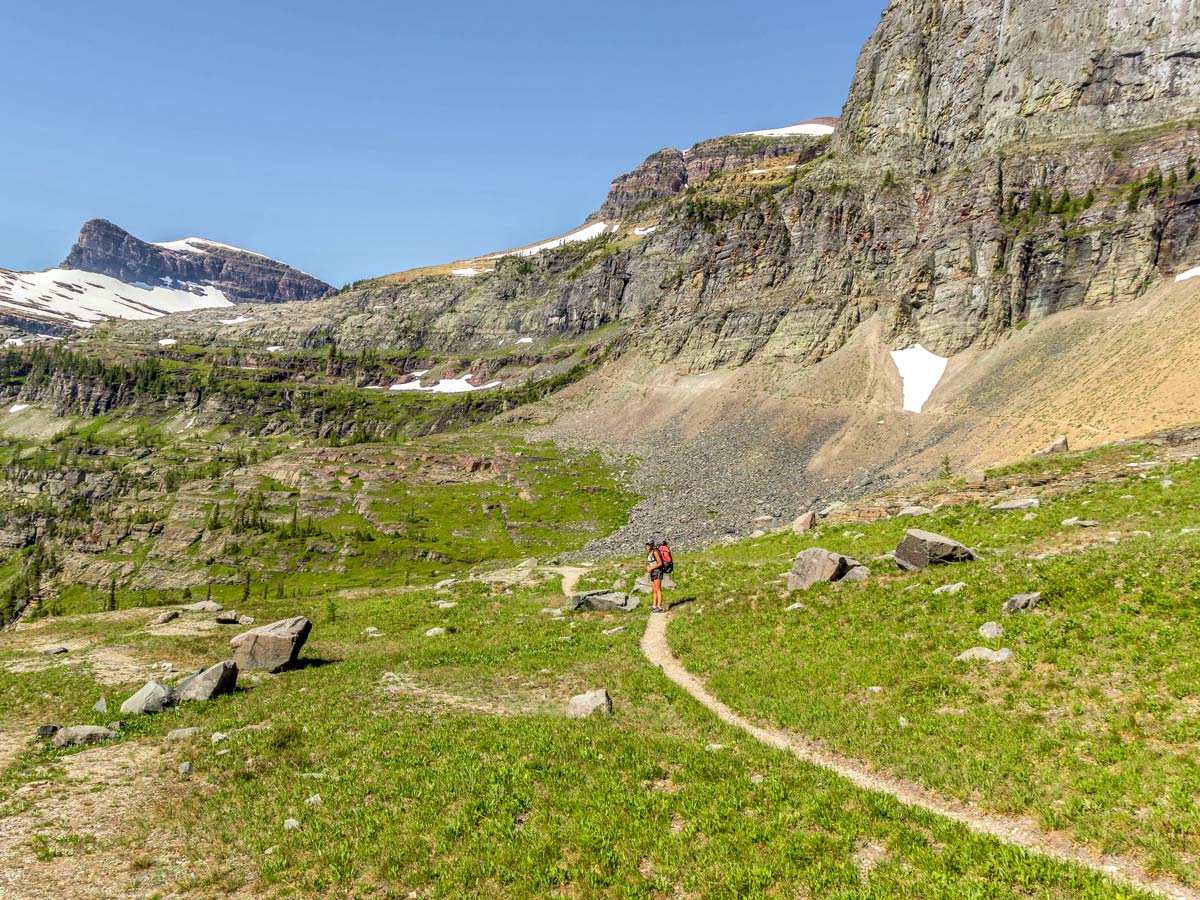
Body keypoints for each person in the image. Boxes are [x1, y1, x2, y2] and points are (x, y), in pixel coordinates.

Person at [645, 539, 665, 613]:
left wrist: (651, 568)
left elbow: (660, 563)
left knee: (658, 589)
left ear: (652, 545)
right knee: (654, 590)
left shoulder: (655, 552)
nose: (647, 546)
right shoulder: (649, 553)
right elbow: (648, 563)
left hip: (657, 572)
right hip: (652, 572)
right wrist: (647, 567)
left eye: (649, 544)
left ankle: (660, 607)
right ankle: (654, 606)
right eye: (647, 544)